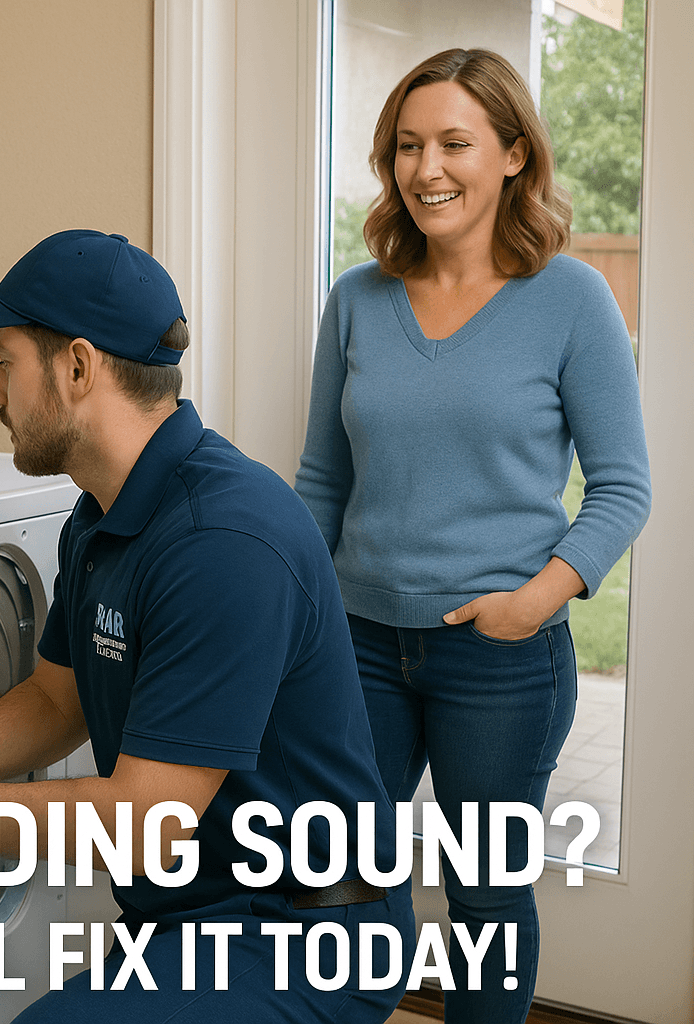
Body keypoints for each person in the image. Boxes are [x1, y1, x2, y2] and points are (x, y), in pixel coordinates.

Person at [0, 228, 415, 1022]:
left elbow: (144, 828)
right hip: (197, 916)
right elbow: (56, 704)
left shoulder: (221, 540)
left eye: (4, 359)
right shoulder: (101, 517)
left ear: (79, 366)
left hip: (308, 932)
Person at [295, 49, 651, 1024]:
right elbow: (322, 479)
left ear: (510, 155)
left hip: (498, 658)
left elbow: (623, 487)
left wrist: (530, 604)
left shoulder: (570, 300)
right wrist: (306, 623)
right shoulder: (356, 300)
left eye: (454, 142)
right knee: (340, 886)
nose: (426, 168)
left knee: (485, 896)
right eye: (407, 146)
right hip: (357, 647)